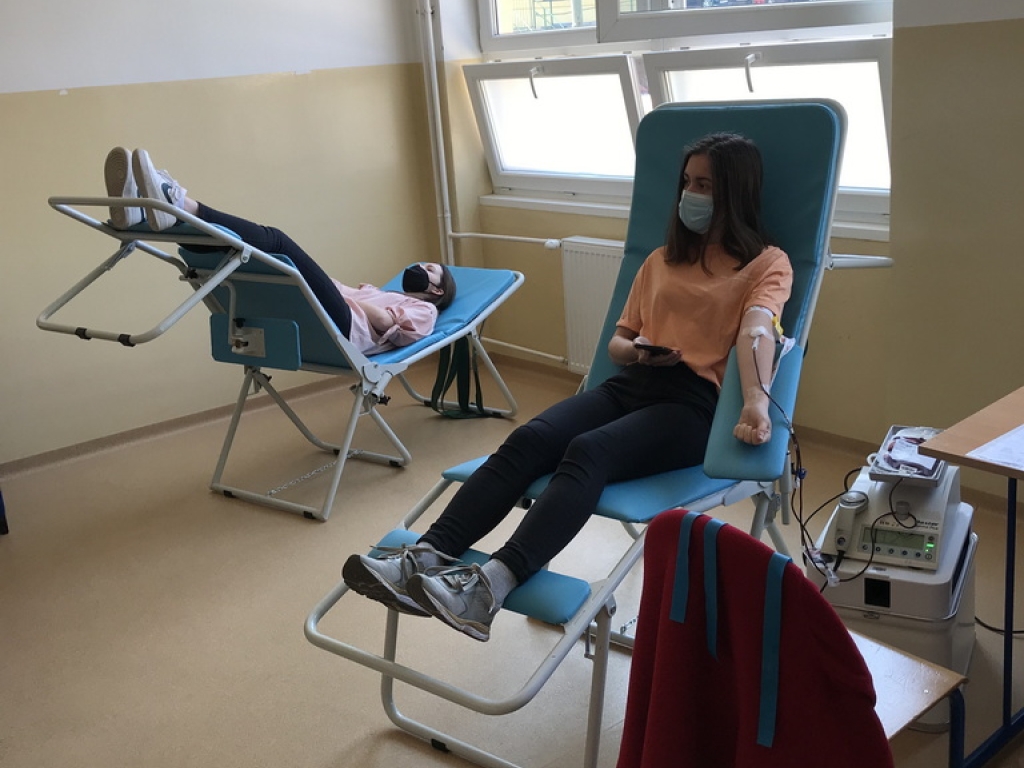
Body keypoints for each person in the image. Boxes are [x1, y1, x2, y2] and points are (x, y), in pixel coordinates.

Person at [343, 132, 793, 642]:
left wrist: (755, 403)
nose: (691, 194)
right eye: (687, 182)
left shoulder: (767, 263)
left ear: (734, 191)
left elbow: (759, 331)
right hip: (635, 380)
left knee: (589, 451)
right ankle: (424, 557)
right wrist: (640, 351)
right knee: (530, 439)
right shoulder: (661, 260)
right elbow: (618, 345)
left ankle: (490, 587)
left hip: (692, 406)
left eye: (705, 185)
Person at [103, 147, 456, 355]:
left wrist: (339, 293)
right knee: (231, 258)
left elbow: (384, 323)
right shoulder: (383, 291)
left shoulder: (425, 310)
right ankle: (150, 216)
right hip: (335, 314)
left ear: (437, 290)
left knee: (276, 243)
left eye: (430, 269)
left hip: (347, 327)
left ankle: (179, 203)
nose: (421, 267)